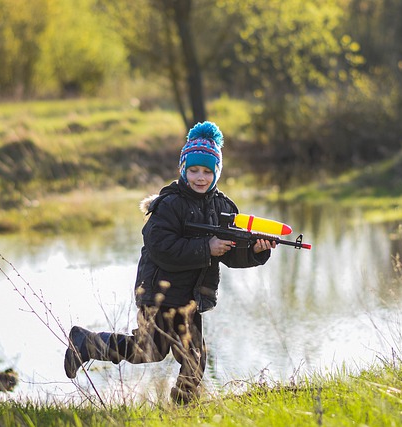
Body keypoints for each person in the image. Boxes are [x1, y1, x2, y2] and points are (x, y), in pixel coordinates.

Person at [64, 121, 275, 404]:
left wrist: (256, 251)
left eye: (208, 171)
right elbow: (161, 247)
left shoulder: (223, 208)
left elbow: (230, 253)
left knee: (195, 358)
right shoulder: (169, 204)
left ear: (217, 173)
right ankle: (86, 343)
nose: (200, 177)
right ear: (183, 169)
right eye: (194, 170)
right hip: (159, 294)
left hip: (191, 297)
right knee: (147, 351)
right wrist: (206, 247)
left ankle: (181, 410)